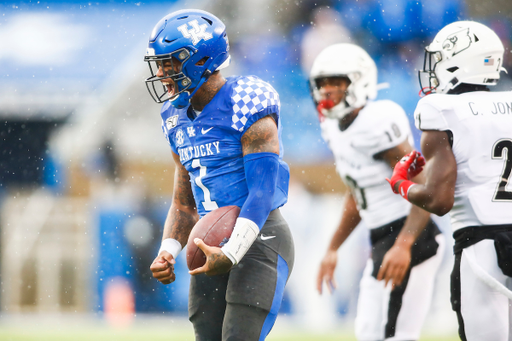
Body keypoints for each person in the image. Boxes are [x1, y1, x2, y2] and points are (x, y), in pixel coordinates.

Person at [144, 9, 294, 341]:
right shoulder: (173, 115)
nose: (162, 73)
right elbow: (184, 204)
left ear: (201, 60)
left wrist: (232, 251)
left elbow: (262, 193)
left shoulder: (246, 101)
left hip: (259, 239)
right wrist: (168, 249)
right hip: (208, 241)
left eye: (170, 62)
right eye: (159, 63)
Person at [387, 20, 512, 341]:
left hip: (482, 247)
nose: (435, 68)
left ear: (461, 60)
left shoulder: (443, 109)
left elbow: (439, 202)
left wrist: (401, 183)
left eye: (440, 58)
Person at [311, 43, 445, 341]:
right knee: (371, 333)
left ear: (358, 82)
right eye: (322, 83)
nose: (327, 90)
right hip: (383, 238)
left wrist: (404, 244)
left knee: (394, 336)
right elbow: (358, 194)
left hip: (411, 236)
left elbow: (424, 188)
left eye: (336, 82)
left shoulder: (376, 122)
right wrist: (333, 248)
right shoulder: (334, 128)